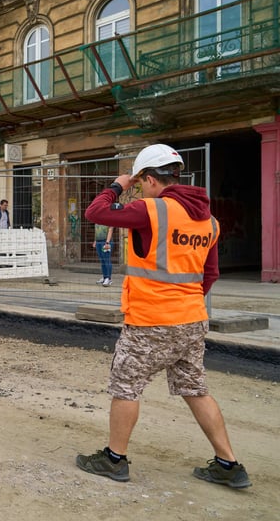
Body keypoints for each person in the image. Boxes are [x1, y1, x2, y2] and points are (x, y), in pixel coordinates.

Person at [76, 143, 250, 488]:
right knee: (195, 388)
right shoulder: (209, 222)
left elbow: (95, 213)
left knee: (126, 387)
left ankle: (114, 459)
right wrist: (184, 304)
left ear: (152, 180)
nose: (139, 188)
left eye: (141, 182)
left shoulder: (151, 210)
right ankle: (228, 464)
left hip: (150, 321)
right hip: (192, 320)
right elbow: (210, 274)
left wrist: (119, 184)